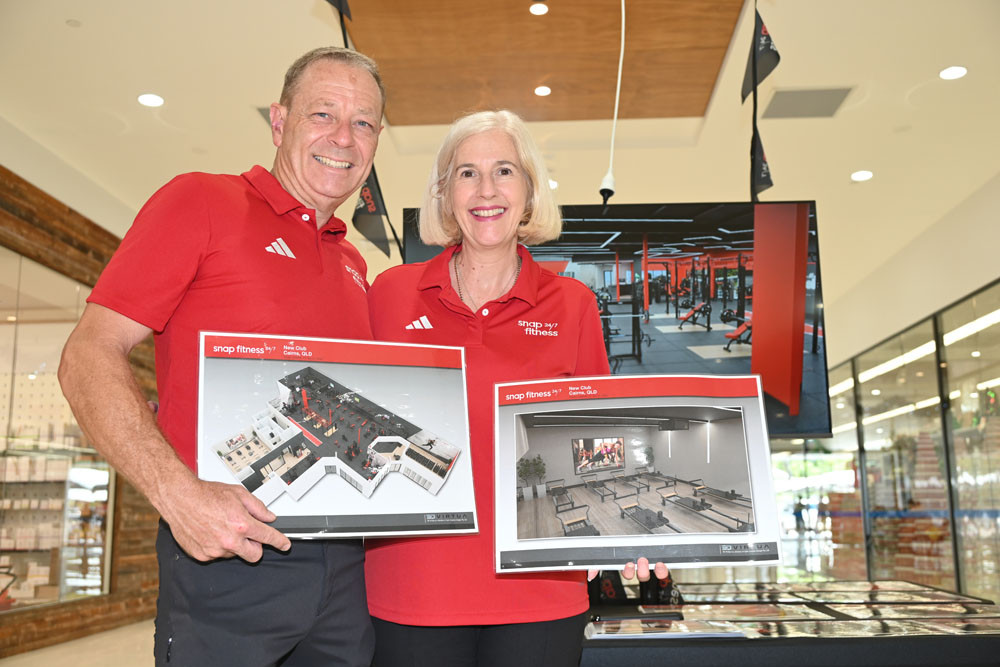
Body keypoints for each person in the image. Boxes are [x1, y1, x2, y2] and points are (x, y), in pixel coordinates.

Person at [58, 46, 384, 667]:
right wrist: (177, 496)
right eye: (323, 114)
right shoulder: (201, 202)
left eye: (364, 122)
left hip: (343, 568)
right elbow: (87, 355)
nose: (344, 137)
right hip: (227, 552)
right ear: (279, 121)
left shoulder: (354, 263)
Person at [363, 110, 667, 667]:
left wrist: (630, 533)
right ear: (444, 192)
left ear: (528, 191)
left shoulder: (571, 303)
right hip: (413, 586)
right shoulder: (388, 293)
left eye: (504, 170)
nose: (486, 190)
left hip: (541, 589)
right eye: (466, 173)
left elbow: (598, 436)